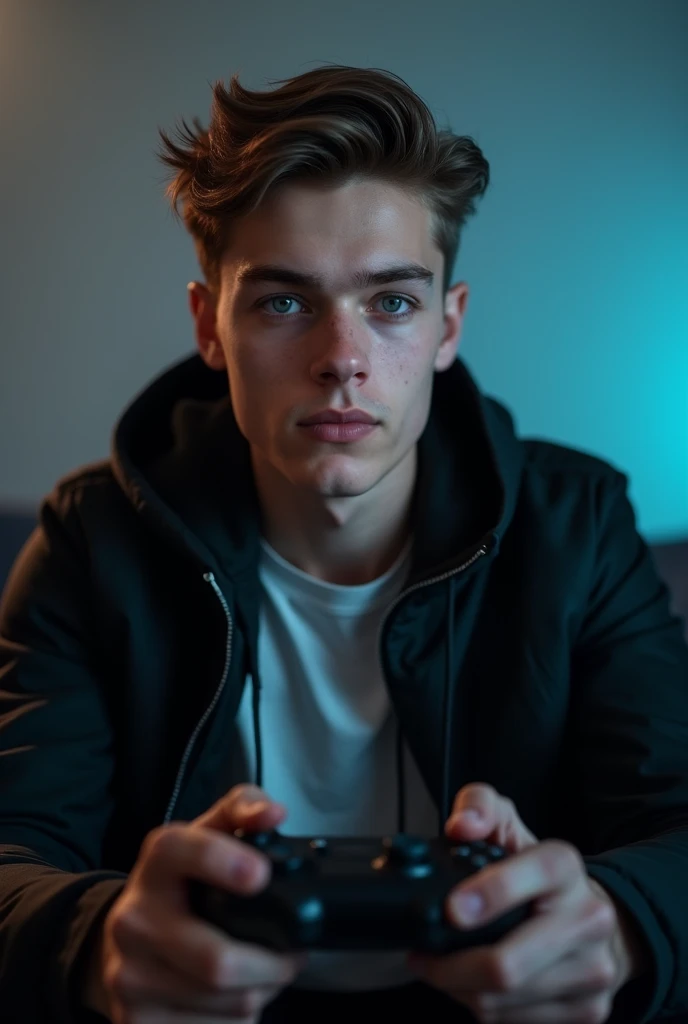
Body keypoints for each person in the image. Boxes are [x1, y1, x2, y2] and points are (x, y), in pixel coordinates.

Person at [0, 63, 687, 1024]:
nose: (341, 358)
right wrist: (97, 941)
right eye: (283, 301)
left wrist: (615, 928)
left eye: (392, 303)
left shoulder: (575, 529)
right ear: (210, 326)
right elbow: (11, 850)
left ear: (449, 327)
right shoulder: (90, 544)